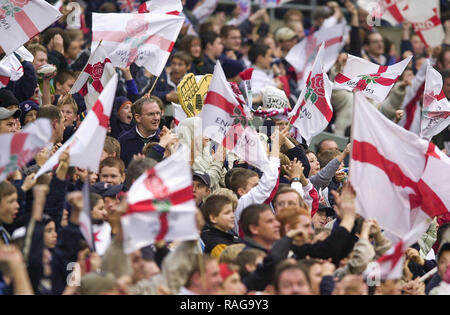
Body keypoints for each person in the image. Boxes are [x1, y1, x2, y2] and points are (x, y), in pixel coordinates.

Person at [119, 97, 162, 167]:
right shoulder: (123, 141)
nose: (156, 118)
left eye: (158, 113)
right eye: (151, 114)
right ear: (138, 118)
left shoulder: (165, 141)